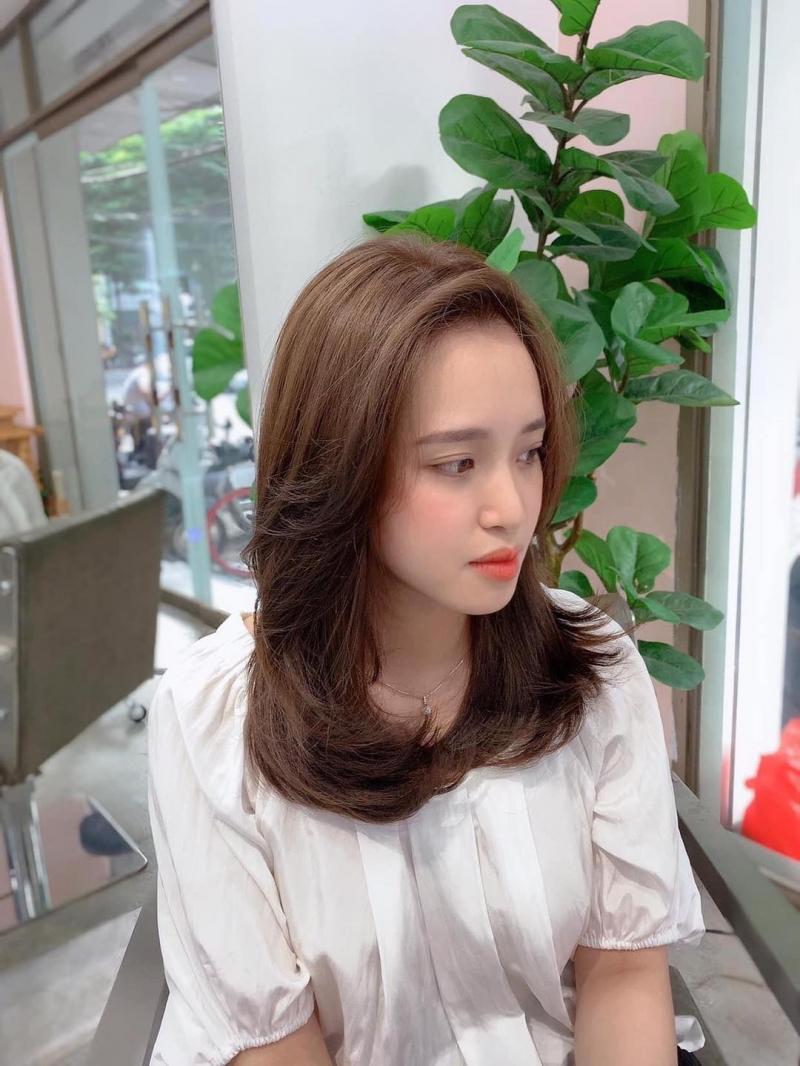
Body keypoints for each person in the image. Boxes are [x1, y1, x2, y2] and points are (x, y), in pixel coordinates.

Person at [146, 236, 706, 1066]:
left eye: (528, 452)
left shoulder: (589, 668)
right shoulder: (214, 718)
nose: (513, 507)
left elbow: (623, 975)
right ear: (342, 466)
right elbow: (272, 1047)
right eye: (456, 463)